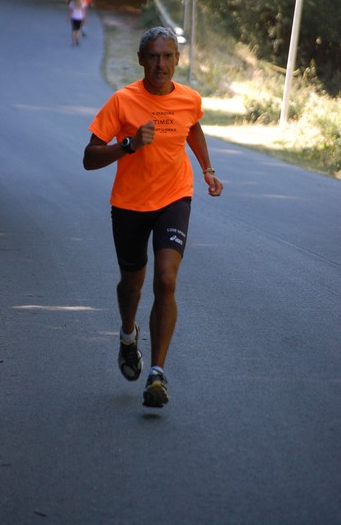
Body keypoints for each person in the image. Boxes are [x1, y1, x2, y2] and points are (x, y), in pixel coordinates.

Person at [83, 26, 223, 408]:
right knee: (132, 284)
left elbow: (192, 126)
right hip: (129, 204)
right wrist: (127, 145)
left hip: (174, 198)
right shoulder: (122, 101)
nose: (161, 64)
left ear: (177, 60)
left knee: (166, 280)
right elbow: (89, 158)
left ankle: (157, 373)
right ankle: (128, 337)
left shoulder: (190, 99)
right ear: (141, 60)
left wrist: (207, 169)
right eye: (154, 57)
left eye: (168, 56)